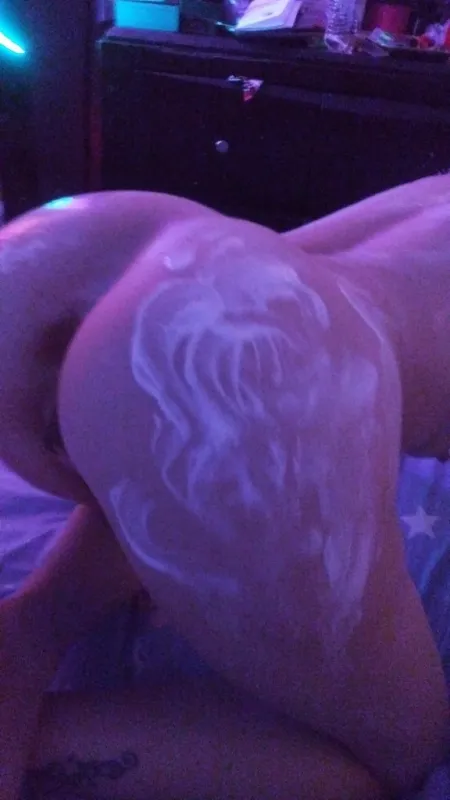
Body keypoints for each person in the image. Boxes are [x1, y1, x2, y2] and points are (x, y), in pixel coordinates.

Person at [0, 175, 449, 800]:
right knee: (399, 747)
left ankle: (27, 642)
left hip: (93, 247)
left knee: (400, 752)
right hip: (236, 337)